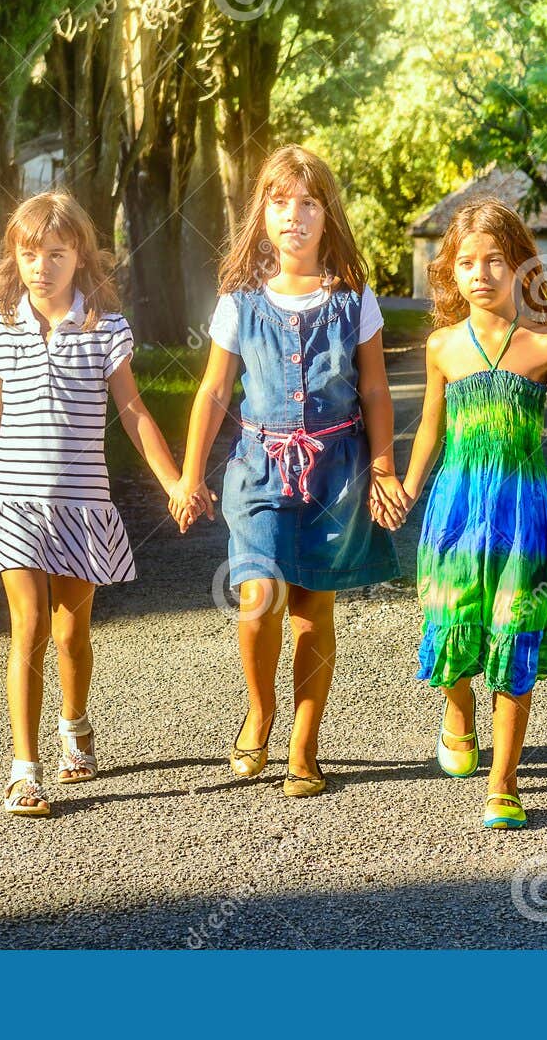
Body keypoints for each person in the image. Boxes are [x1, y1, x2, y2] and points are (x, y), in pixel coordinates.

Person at [399, 199, 547, 830]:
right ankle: (458, 712)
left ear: (522, 270)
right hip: (454, 510)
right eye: (467, 263)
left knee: (514, 632)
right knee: (449, 621)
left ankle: (504, 779)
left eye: (496, 262)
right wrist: (403, 486)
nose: (481, 274)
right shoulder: (442, 348)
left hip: (524, 514)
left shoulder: (546, 346)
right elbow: (428, 431)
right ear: (450, 272)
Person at [172, 145, 405, 798]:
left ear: (328, 216)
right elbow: (215, 394)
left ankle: (304, 745)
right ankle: (260, 708)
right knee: (258, 597)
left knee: (311, 614)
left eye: (308, 203)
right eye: (280, 202)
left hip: (339, 476)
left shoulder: (354, 298)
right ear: (262, 214)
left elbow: (378, 391)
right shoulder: (240, 299)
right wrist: (190, 475)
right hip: (258, 473)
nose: (294, 216)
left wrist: (384, 469)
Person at [0, 191, 186, 817]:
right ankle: (24, 769)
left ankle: (76, 724)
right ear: (15, 256)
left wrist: (174, 482)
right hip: (13, 504)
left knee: (71, 633)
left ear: (81, 258)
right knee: (29, 628)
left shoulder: (105, 329)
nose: (43, 266)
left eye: (57, 254)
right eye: (31, 253)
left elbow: (135, 412)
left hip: (82, 505)